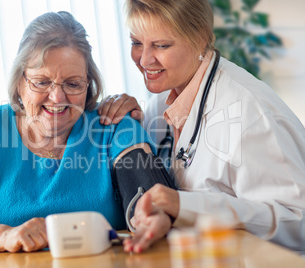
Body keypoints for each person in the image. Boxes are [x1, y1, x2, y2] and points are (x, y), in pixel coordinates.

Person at [0, 11, 175, 253]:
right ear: (20, 83)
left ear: (89, 86)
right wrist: (4, 236)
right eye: (42, 82)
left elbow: (148, 195)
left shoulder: (113, 124)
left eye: (73, 84)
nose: (57, 97)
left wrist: (153, 217)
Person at [99, 0, 305, 254]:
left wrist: (185, 206)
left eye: (161, 45)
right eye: (136, 43)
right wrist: (132, 125)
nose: (143, 59)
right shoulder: (159, 105)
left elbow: (297, 223)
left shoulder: (250, 112)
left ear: (200, 38)